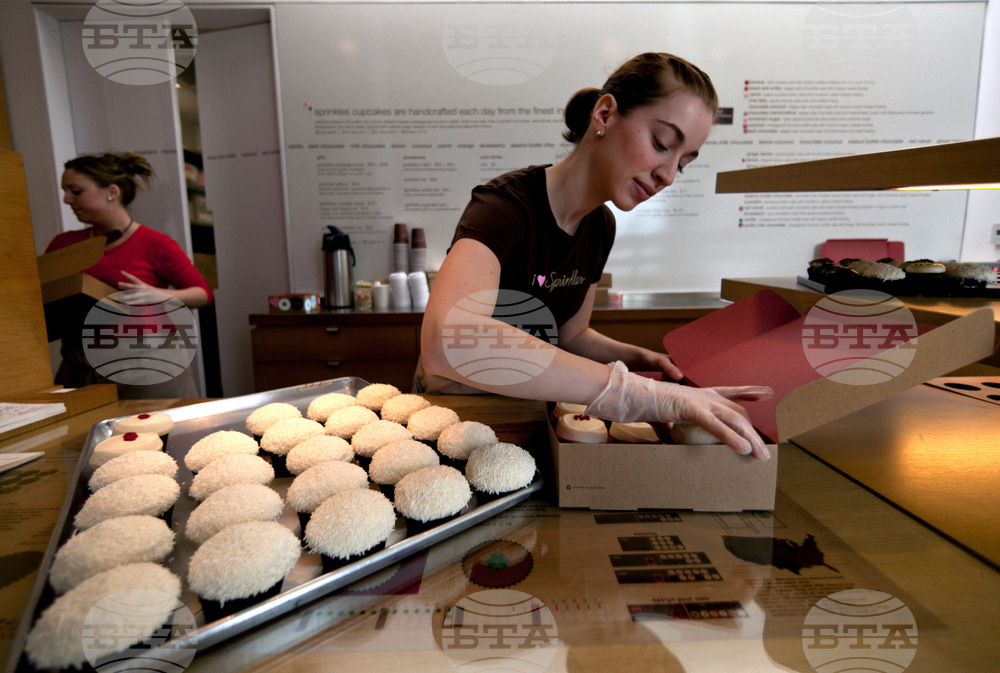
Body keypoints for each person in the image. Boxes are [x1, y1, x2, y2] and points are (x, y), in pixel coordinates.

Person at [419, 52, 773, 460]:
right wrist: (636, 392)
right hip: (462, 415)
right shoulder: (505, 207)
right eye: (662, 144)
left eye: (684, 163)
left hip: (531, 412)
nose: (668, 175)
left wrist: (645, 361)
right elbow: (446, 341)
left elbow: (571, 336)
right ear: (604, 114)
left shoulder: (599, 225)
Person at [45, 152, 212, 398]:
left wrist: (157, 295)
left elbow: (203, 294)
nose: (67, 199)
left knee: (162, 433)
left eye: (75, 191)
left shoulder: (154, 243)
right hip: (78, 365)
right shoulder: (64, 245)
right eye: (65, 191)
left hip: (147, 365)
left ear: (111, 192)